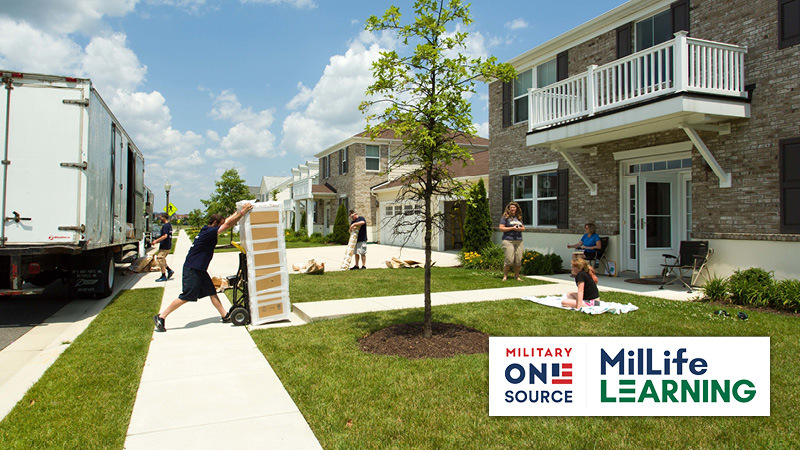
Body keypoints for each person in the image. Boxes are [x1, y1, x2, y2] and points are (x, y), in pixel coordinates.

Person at [153, 203, 254, 332]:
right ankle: (161, 317)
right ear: (216, 222)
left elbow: (227, 221)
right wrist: (241, 213)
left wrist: (237, 211)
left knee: (212, 291)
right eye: (220, 224)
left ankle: (225, 315)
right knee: (186, 296)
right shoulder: (209, 232)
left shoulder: (207, 229)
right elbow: (228, 224)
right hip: (193, 269)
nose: (222, 226)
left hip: (199, 269)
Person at [498, 201, 525, 281]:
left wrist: (520, 229)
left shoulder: (519, 217)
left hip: (518, 240)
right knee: (509, 260)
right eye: (511, 207)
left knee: (518, 260)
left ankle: (517, 276)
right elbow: (501, 228)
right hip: (508, 240)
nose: (513, 209)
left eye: (514, 207)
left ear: (516, 208)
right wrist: (512, 228)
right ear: (509, 208)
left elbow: (523, 228)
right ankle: (505, 276)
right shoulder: (505, 217)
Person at [152, 213, 174, 282]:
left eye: (160, 217)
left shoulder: (165, 226)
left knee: (160, 258)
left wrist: (156, 241)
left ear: (164, 218)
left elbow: (165, 236)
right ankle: (169, 270)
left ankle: (163, 275)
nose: (160, 219)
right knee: (162, 259)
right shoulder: (169, 225)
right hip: (168, 245)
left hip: (165, 245)